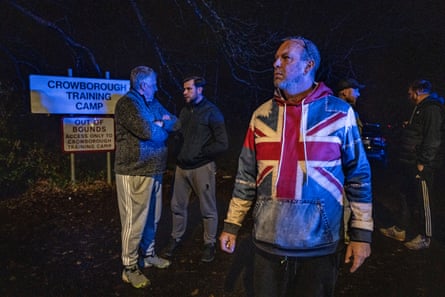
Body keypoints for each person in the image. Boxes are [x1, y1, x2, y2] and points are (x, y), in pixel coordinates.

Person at [219, 36, 373, 297]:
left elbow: (358, 176)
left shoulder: (339, 113)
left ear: (308, 65)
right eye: (276, 58)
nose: (275, 63)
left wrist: (361, 235)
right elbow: (245, 177)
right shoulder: (260, 116)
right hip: (267, 242)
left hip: (320, 245)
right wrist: (231, 224)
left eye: (286, 57)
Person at [114, 66, 177, 288]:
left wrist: (162, 123)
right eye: (153, 84)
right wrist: (159, 126)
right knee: (134, 221)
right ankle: (129, 267)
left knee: (153, 217)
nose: (157, 87)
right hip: (134, 171)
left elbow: (174, 123)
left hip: (154, 170)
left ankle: (148, 255)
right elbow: (151, 133)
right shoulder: (128, 104)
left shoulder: (151, 103)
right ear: (143, 86)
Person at [164, 76, 229, 263]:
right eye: (184, 89)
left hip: (202, 167)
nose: (184, 92)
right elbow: (179, 132)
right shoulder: (185, 111)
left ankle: (209, 244)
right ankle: (175, 239)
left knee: (208, 209)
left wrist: (202, 153)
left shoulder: (212, 112)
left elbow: (223, 143)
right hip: (182, 168)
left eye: (188, 89)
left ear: (200, 90)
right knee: (177, 206)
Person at [380, 79, 444, 250]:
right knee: (405, 194)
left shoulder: (431, 109)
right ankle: (401, 228)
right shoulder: (420, 109)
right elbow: (419, 132)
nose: (409, 97)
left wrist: (424, 161)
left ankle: (425, 236)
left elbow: (432, 138)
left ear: (417, 91)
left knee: (424, 200)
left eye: (410, 93)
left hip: (422, 164)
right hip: (411, 162)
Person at [337, 78, 366, 244]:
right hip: (341, 167)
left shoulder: (347, 110)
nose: (359, 93)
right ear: (345, 91)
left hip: (344, 166)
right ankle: (340, 235)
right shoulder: (343, 111)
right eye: (356, 90)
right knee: (343, 202)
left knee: (345, 202)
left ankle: (342, 233)